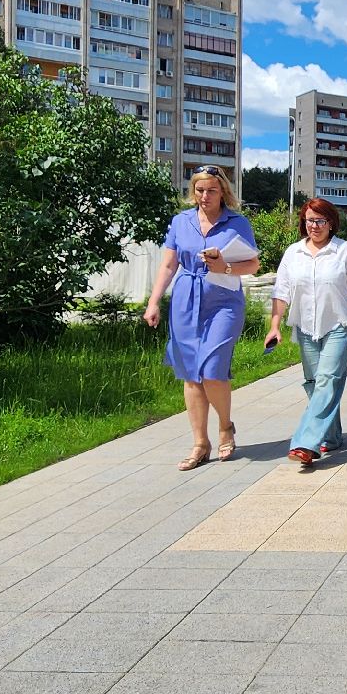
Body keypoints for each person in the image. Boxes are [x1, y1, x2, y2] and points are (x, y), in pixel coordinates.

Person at [145, 167, 262, 470]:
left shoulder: (237, 222)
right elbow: (169, 265)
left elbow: (252, 265)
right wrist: (154, 301)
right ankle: (200, 443)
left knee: (212, 368)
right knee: (190, 373)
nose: (204, 196)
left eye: (211, 190)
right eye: (199, 191)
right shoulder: (180, 221)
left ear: (222, 191)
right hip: (186, 300)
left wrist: (223, 267)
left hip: (224, 300)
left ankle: (225, 425)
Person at [267, 199, 347, 467]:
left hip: (338, 325)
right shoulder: (293, 253)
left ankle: (305, 442)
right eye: (310, 220)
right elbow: (281, 292)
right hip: (305, 328)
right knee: (315, 383)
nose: (315, 226)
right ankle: (331, 437)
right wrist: (274, 326)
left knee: (326, 380)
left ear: (331, 223)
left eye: (320, 220)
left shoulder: (345, 251)